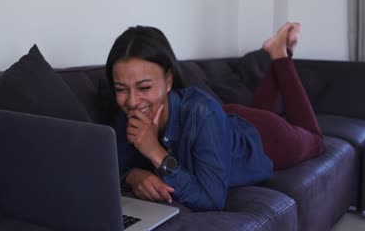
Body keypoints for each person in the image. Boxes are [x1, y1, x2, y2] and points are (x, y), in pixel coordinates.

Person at [105, 23, 323, 211]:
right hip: (223, 120)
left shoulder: (202, 112)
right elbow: (114, 168)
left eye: (144, 87)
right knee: (247, 113)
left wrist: (155, 152)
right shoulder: (127, 115)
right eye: (121, 89)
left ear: (169, 80)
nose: (132, 102)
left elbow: (212, 200)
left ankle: (281, 55)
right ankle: (277, 49)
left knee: (315, 140)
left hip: (263, 138)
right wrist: (133, 176)